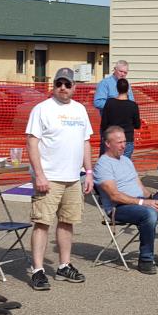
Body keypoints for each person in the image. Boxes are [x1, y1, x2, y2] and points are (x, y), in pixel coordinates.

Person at [26, 68, 93, 290]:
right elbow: (32, 142)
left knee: (67, 222)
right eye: (58, 83)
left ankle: (64, 265)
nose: (62, 88)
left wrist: (89, 172)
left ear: (74, 87)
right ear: (53, 86)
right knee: (42, 223)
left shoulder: (80, 109)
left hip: (73, 178)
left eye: (67, 84)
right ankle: (38, 270)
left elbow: (85, 142)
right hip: (50, 177)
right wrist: (39, 174)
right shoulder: (42, 109)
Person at [94, 126, 158, 275]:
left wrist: (153, 197)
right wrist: (144, 203)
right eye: (119, 142)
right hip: (120, 208)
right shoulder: (103, 164)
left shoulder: (126, 160)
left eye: (124, 142)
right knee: (149, 213)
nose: (123, 145)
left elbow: (140, 186)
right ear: (108, 143)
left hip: (140, 203)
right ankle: (146, 258)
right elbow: (114, 195)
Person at [94, 60, 134, 155]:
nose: (123, 74)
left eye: (125, 72)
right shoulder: (105, 83)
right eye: (121, 71)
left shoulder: (127, 85)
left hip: (124, 127)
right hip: (109, 127)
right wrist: (116, 106)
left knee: (123, 158)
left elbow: (132, 102)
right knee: (107, 156)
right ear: (115, 70)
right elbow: (98, 102)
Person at [100, 78, 140, 158]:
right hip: (127, 139)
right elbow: (137, 125)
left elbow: (104, 123)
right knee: (123, 166)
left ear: (116, 88)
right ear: (128, 89)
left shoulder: (109, 103)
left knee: (110, 165)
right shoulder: (133, 105)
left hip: (112, 138)